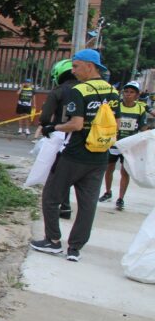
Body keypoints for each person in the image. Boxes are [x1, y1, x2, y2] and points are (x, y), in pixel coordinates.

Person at [31, 49, 120, 262]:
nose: (73, 71)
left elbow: (76, 124)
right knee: (88, 204)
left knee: (51, 196)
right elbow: (114, 124)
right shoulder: (113, 92)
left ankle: (52, 241)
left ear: (90, 66)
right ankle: (75, 249)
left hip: (74, 155)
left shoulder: (79, 91)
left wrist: (53, 127)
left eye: (76, 66)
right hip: (99, 157)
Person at [39, 58, 79, 220]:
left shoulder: (58, 91)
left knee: (57, 173)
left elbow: (45, 117)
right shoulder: (85, 90)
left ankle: (62, 206)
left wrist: (48, 127)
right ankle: (69, 208)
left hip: (61, 135)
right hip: (83, 138)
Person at [99, 81, 148, 210]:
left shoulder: (140, 108)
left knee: (124, 171)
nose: (128, 94)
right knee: (109, 168)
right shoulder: (116, 106)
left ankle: (121, 198)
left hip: (129, 145)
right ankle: (108, 192)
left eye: (132, 92)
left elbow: (143, 127)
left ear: (137, 95)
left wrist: (147, 136)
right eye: (126, 91)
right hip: (114, 143)